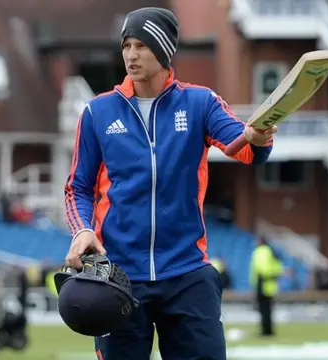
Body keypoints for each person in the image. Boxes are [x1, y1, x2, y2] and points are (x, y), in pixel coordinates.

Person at [63, 7, 276, 360]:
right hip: (119, 277)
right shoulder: (97, 113)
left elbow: (247, 150)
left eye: (142, 46)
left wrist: (259, 136)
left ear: (163, 51)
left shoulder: (199, 103)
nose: (131, 55)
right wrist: (82, 229)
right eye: (126, 45)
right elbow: (77, 188)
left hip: (188, 272)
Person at [250, 236, 284, 337]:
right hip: (270, 285)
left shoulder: (260, 251)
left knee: (263, 309)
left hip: (263, 284)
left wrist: (264, 276)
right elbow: (278, 266)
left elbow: (261, 268)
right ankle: (268, 330)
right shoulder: (270, 251)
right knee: (268, 309)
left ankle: (266, 331)